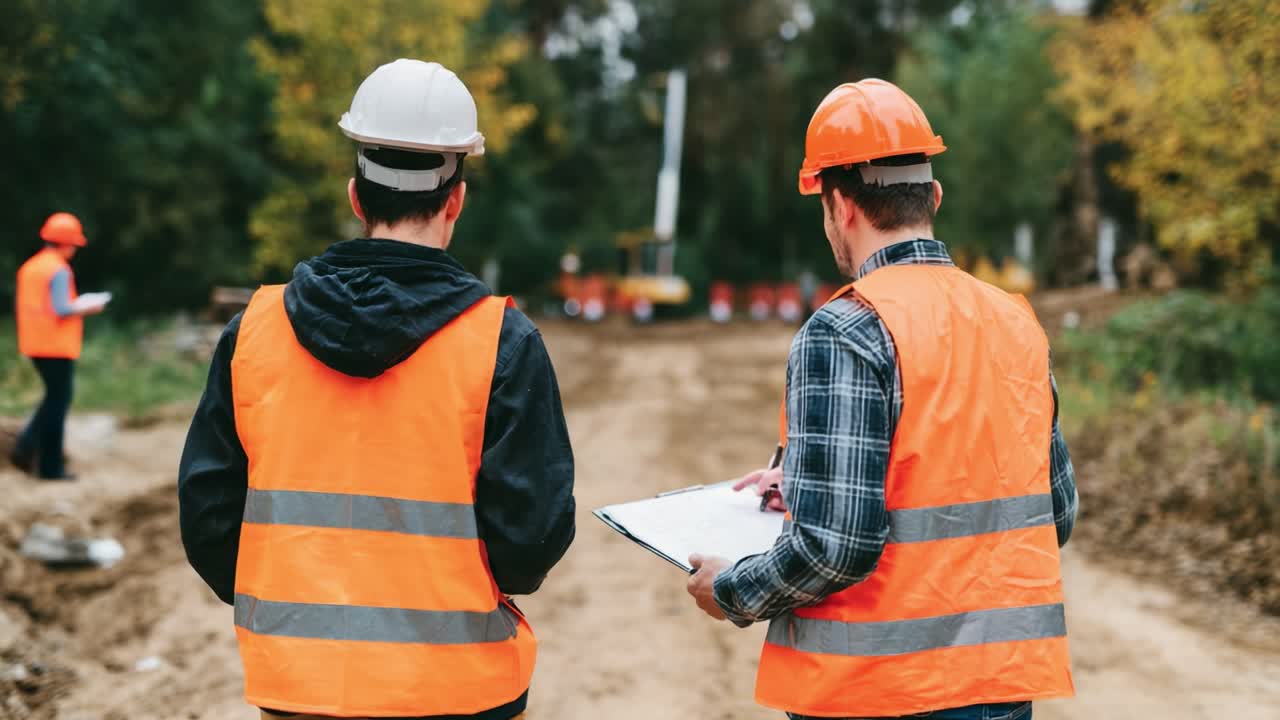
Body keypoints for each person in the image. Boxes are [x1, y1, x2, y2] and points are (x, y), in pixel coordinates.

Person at [178, 59, 575, 720]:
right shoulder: (502, 341)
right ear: (456, 200)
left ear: (356, 197)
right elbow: (531, 537)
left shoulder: (256, 330)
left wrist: (288, 608)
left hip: (296, 688)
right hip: (458, 691)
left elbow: (208, 517)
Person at [686, 79, 1078, 720]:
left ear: (840, 205)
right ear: (934, 197)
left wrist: (733, 588)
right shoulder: (1013, 321)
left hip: (875, 694)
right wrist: (816, 480)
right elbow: (1052, 512)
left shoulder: (847, 330)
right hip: (999, 690)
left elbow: (836, 546)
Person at [11, 212, 104, 480]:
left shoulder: (30, 266)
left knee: (53, 399)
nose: (75, 249)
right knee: (57, 404)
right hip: (56, 346)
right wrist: (89, 307)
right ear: (66, 243)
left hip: (34, 343)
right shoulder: (59, 269)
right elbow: (62, 308)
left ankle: (25, 448)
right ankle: (50, 467)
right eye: (74, 244)